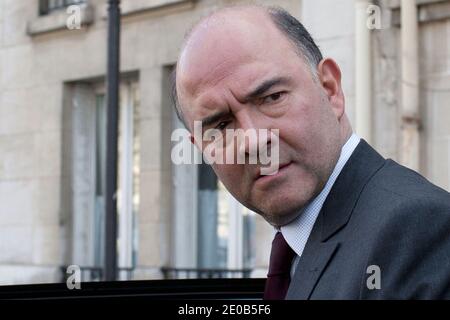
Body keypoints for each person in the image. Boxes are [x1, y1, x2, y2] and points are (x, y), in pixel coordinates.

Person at [171, 4, 450, 299]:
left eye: (271, 97)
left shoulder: (415, 228)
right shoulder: (303, 246)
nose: (252, 141)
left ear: (330, 89)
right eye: (221, 125)